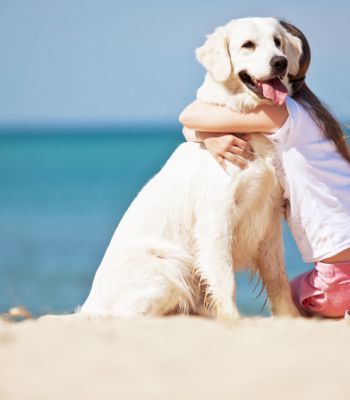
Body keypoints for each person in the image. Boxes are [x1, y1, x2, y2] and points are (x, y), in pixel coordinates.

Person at [179, 22, 350, 318]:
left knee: (288, 304)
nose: (274, 56)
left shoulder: (280, 114)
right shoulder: (315, 117)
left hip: (339, 282)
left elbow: (190, 115)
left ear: (292, 63)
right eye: (251, 46)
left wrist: (206, 136)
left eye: (278, 45)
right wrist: (208, 136)